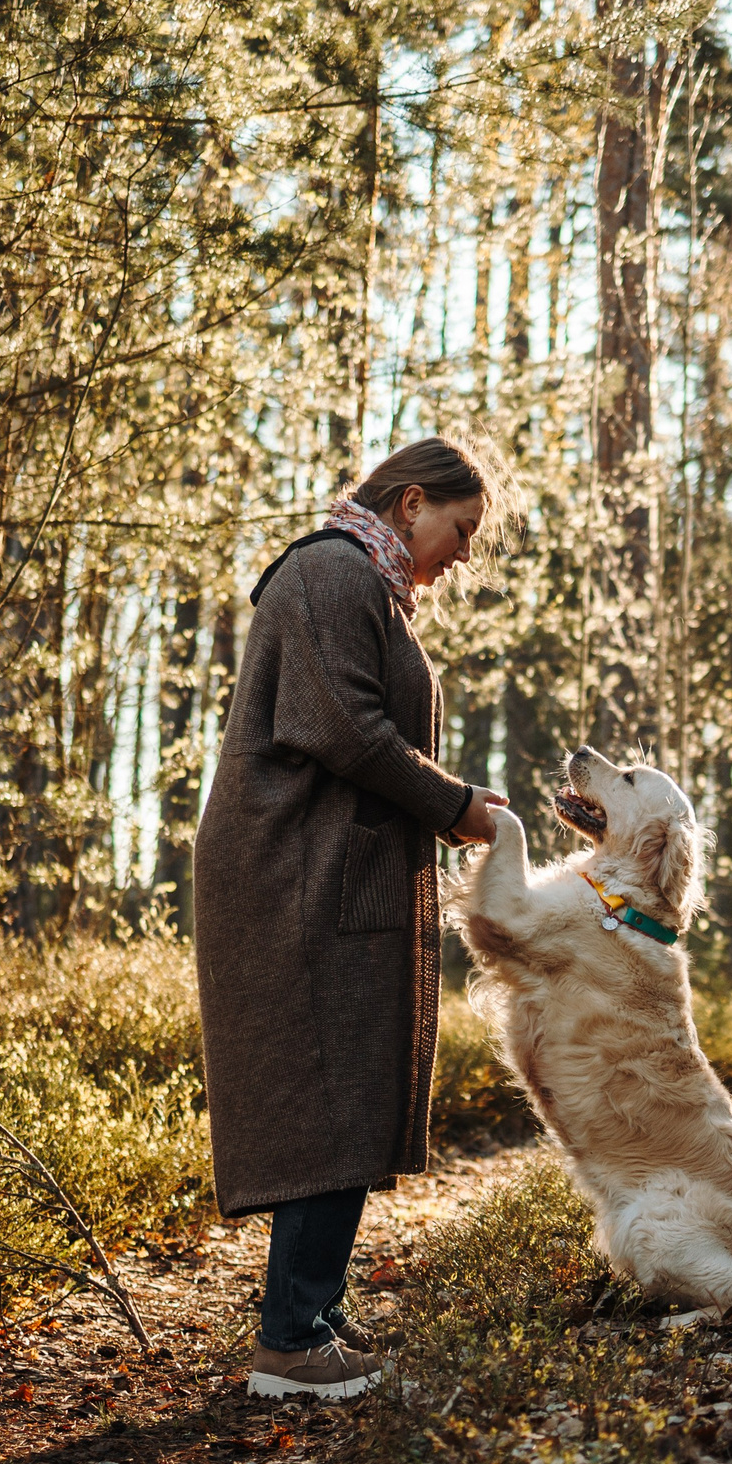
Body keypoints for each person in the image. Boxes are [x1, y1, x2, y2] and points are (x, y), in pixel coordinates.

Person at [192, 436, 510, 1400]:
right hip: (297, 876)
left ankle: (314, 1315)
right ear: (411, 503)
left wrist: (449, 809)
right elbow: (344, 726)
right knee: (326, 1093)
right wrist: (455, 805)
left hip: (333, 872)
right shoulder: (331, 572)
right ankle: (289, 1344)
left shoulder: (367, 585)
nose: (464, 553)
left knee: (349, 1086)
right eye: (461, 528)